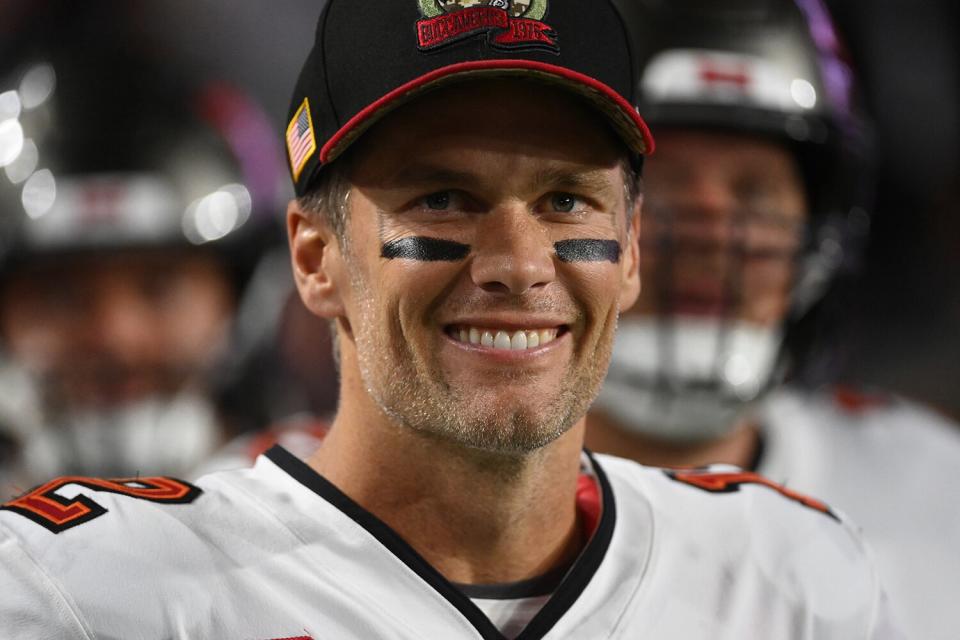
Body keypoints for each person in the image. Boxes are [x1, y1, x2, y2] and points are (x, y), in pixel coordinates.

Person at [0, 1, 903, 637]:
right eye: (442, 198)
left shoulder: (795, 582)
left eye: (565, 201)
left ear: (629, 254)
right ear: (315, 257)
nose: (516, 265)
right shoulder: (84, 595)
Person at [585, 1, 960, 638]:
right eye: (661, 187)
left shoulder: (935, 492)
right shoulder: (428, 518)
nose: (711, 235)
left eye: (755, 193)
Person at [0, 40, 285, 491]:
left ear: (240, 295)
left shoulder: (349, 503)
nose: (117, 337)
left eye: (160, 286)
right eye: (61, 294)